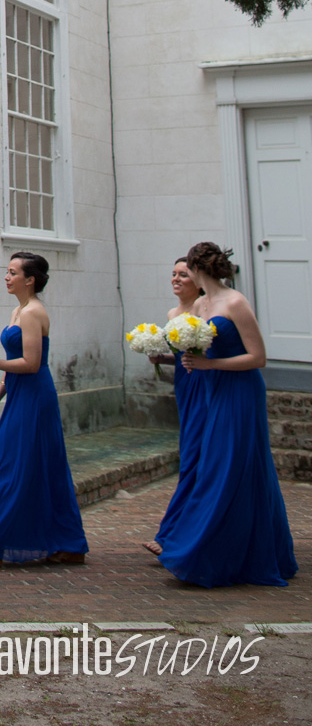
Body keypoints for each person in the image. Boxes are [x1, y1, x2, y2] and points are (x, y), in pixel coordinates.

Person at [156, 241, 296, 588]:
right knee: (214, 463)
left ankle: (207, 549)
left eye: (187, 270)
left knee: (229, 465)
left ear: (200, 270)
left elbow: (259, 357)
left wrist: (210, 363)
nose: (184, 276)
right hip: (211, 389)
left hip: (241, 391)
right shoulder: (200, 304)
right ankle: (230, 547)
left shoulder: (235, 302)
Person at [0, 253, 87, 568]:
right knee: (24, 466)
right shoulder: (18, 310)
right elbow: (15, 358)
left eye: (12, 272)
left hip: (35, 396)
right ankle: (66, 543)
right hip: (18, 394)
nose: (6, 277)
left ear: (29, 279)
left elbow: (31, 364)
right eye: (7, 271)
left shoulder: (33, 313)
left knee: (16, 466)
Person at [144, 256, 206, 556]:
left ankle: (172, 534)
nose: (176, 279)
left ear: (198, 280)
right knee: (189, 453)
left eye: (183, 274)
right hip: (184, 386)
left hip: (205, 386)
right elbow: (182, 356)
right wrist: (160, 357)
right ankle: (177, 532)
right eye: (173, 274)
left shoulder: (207, 311)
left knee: (195, 456)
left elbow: (207, 353)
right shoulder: (172, 312)